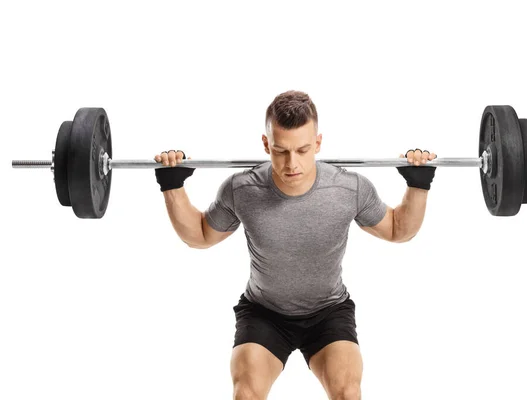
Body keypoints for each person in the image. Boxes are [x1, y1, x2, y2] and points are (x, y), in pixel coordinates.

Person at [153, 90, 437, 400]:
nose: (292, 163)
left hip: (328, 311)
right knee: (246, 394)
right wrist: (172, 186)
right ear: (266, 145)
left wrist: (418, 184)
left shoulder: (348, 188)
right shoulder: (243, 189)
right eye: (280, 150)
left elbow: (398, 230)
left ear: (317, 143)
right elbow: (200, 235)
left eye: (302, 150)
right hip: (264, 313)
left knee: (348, 393)